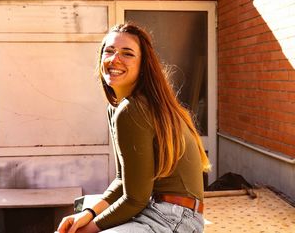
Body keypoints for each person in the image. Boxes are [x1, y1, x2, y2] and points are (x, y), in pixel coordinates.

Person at [56, 23, 210, 233]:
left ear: (143, 65)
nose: (115, 59)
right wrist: (89, 213)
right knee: (82, 208)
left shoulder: (134, 109)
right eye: (109, 51)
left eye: (127, 54)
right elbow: (123, 181)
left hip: (174, 219)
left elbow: (135, 199)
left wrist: (89, 229)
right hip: (153, 208)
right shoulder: (118, 108)